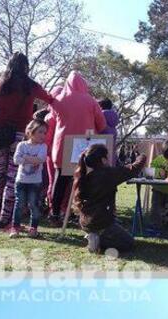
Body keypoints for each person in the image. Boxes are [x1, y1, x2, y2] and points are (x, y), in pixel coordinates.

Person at [0, 52, 53, 230]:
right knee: (12, 179)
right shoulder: (31, 86)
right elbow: (50, 99)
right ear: (26, 67)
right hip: (19, 136)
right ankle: (5, 220)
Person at [48, 71, 107, 221]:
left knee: (60, 181)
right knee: (83, 182)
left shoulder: (58, 100)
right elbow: (102, 125)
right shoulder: (91, 101)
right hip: (84, 148)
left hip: (61, 147)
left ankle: (54, 213)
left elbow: (52, 120)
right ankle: (81, 214)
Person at [72, 143, 146, 254]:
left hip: (86, 221)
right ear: (103, 159)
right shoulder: (108, 174)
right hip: (101, 222)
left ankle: (95, 235)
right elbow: (134, 169)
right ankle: (98, 240)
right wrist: (142, 156)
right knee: (129, 243)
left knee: (117, 231)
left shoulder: (86, 176)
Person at [9, 119, 48, 238]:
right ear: (31, 132)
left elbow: (41, 159)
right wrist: (32, 159)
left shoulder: (43, 146)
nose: (43, 135)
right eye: (40, 132)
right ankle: (15, 227)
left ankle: (33, 228)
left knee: (34, 205)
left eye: (45, 133)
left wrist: (25, 157)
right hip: (21, 181)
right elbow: (16, 160)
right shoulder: (22, 145)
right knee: (19, 204)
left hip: (35, 182)